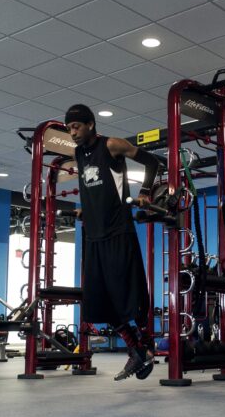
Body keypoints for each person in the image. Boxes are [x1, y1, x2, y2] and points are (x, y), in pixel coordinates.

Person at [65, 103, 161, 381]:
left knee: (129, 296)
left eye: (76, 126)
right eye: (69, 128)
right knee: (99, 301)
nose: (73, 132)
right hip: (94, 236)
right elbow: (92, 189)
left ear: (90, 124)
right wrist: (87, 210)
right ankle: (137, 350)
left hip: (119, 231)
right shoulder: (78, 154)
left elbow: (153, 162)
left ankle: (146, 345)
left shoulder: (112, 145)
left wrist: (145, 192)